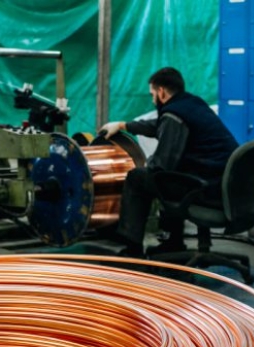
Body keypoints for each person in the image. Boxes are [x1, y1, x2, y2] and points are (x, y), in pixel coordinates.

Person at [100, 67, 239, 257]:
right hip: (220, 182)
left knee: (139, 178)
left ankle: (132, 248)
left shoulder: (174, 115)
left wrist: (148, 165)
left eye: (152, 94)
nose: (152, 100)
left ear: (161, 92)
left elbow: (162, 165)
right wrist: (123, 125)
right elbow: (159, 126)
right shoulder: (192, 104)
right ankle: (173, 243)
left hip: (205, 188)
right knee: (172, 177)